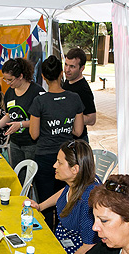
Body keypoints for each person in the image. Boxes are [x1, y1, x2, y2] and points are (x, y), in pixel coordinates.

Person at [29, 55, 84, 226]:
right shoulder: (74, 98)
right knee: (65, 201)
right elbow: (78, 130)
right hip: (67, 159)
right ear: (61, 73)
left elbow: (34, 134)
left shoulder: (39, 101)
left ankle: (49, 239)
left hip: (45, 158)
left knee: (45, 205)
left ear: (43, 77)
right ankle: (63, 238)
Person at [28, 140, 100, 254]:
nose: (54, 165)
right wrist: (40, 206)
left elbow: (89, 245)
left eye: (60, 163)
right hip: (61, 244)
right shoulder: (76, 181)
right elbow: (65, 193)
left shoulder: (89, 200)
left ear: (75, 169)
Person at [0, 58, 43, 167]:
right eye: (5, 79)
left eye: (10, 80)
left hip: (31, 143)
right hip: (15, 142)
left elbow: (42, 120)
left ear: (21, 76)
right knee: (18, 174)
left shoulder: (36, 92)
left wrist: (21, 124)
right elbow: (9, 114)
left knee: (32, 177)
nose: (7, 83)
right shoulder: (10, 92)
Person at [63, 48, 97, 141]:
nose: (67, 70)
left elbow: (92, 119)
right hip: (65, 138)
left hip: (78, 141)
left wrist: (69, 117)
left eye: (72, 67)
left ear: (82, 68)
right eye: (66, 64)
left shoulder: (84, 90)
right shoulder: (68, 81)